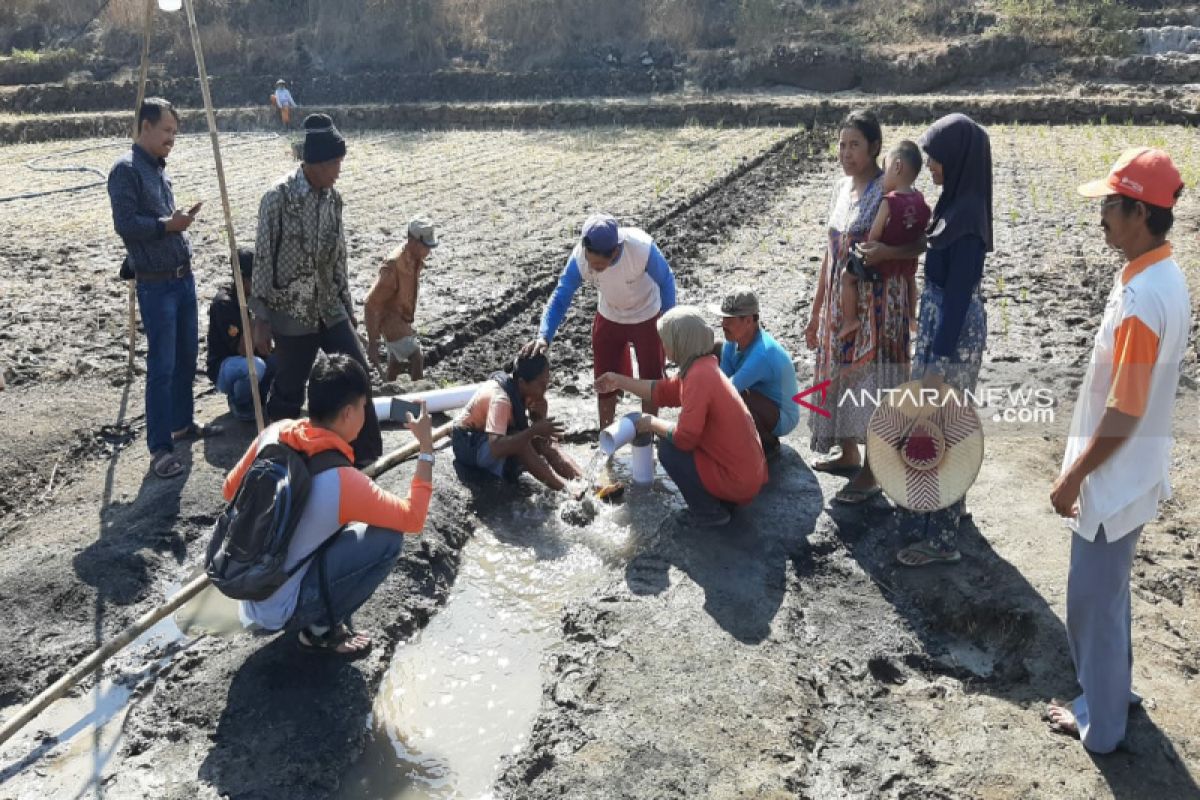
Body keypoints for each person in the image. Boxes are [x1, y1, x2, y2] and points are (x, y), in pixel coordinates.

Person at [1045, 148, 1189, 752]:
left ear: (1139, 212)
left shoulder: (1142, 300)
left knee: (1089, 608)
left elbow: (1125, 410)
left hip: (1113, 477)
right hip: (1132, 473)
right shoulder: (1158, 275)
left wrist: (1073, 478)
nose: (1101, 213)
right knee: (1109, 598)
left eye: (1110, 203)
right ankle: (1114, 692)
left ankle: (1101, 724)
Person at [225, 353, 434, 657]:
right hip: (279, 611)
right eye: (365, 407)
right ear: (348, 413)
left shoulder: (274, 433)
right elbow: (413, 519)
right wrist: (426, 449)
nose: (366, 414)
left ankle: (305, 607)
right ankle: (321, 629)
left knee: (330, 523)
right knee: (388, 538)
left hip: (248, 592)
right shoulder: (343, 482)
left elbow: (229, 490)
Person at [250, 113, 383, 467]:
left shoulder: (333, 200)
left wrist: (348, 307)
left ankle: (365, 454)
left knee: (357, 370)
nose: (338, 170)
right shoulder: (277, 198)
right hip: (291, 308)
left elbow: (339, 256)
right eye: (335, 164)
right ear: (315, 162)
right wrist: (260, 317)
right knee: (290, 387)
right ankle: (278, 457)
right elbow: (263, 257)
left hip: (328, 304)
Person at [894, 114, 992, 566]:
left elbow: (956, 299)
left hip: (951, 334)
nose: (930, 167)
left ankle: (942, 541)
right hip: (939, 326)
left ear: (956, 160)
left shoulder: (967, 220)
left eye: (935, 159)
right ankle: (946, 509)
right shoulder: (953, 206)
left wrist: (937, 365)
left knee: (942, 426)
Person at [108, 96, 222, 480]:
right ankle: (160, 448)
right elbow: (125, 224)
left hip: (181, 278)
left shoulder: (159, 170)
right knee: (162, 365)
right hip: (156, 286)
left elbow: (157, 219)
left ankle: (182, 423)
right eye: (167, 130)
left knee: (187, 356)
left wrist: (177, 221)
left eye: (175, 131)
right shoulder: (126, 171)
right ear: (145, 127)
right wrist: (166, 225)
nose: (172, 138)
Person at [805, 109, 915, 505]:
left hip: (877, 304)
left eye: (854, 144)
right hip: (841, 301)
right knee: (840, 374)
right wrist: (817, 310)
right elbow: (829, 254)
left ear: (874, 149)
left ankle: (873, 470)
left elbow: (912, 246)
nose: (845, 152)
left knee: (869, 382)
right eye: (841, 143)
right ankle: (848, 452)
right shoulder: (839, 188)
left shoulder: (887, 193)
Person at [596, 306, 767, 528]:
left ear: (681, 341)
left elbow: (685, 438)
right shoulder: (703, 365)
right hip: (746, 473)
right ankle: (720, 500)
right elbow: (661, 390)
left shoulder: (698, 377)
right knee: (672, 439)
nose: (663, 346)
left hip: (738, 481)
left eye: (665, 340)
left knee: (669, 449)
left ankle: (709, 512)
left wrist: (650, 423)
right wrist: (618, 380)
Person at [523, 213, 677, 430]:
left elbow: (667, 282)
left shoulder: (640, 248)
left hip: (647, 314)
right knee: (604, 378)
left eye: (599, 264)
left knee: (650, 377)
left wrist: (670, 327)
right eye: (590, 261)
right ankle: (606, 433)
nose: (593, 267)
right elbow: (561, 295)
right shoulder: (580, 259)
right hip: (609, 315)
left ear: (615, 252)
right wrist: (544, 336)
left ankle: (648, 433)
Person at [838, 140, 931, 342]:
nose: (883, 175)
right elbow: (922, 230)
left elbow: (874, 234)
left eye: (886, 168)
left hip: (880, 260)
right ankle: (911, 315)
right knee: (910, 279)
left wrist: (869, 247)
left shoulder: (889, 201)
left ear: (897, 166)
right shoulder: (920, 200)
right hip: (906, 260)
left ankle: (850, 319)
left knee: (847, 277)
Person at [451, 353, 582, 491]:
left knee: (545, 442)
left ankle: (585, 481)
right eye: (541, 384)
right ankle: (567, 489)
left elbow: (541, 438)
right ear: (522, 383)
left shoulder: (526, 393)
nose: (545, 389)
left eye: (547, 382)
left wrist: (539, 418)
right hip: (468, 445)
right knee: (521, 442)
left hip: (491, 440)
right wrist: (533, 430)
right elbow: (496, 447)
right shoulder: (501, 400)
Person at [709, 287, 799, 461]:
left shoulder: (762, 353)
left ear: (749, 321)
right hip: (760, 398)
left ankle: (767, 443)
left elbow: (728, 390)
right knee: (714, 348)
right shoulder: (731, 341)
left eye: (730, 319)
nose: (723, 324)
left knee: (740, 396)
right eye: (723, 317)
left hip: (782, 417)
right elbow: (723, 380)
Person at [364, 217, 436, 382]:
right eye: (426, 246)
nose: (428, 251)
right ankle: (418, 394)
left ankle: (389, 387)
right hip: (390, 320)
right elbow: (370, 303)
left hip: (402, 317)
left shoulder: (414, 259)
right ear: (412, 241)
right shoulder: (394, 266)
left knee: (395, 360)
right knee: (416, 356)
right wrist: (373, 343)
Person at [206, 249, 274, 422]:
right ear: (241, 279)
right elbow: (244, 350)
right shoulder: (224, 304)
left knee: (281, 360)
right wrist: (252, 314)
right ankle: (239, 401)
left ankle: (259, 398)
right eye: (253, 280)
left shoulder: (257, 298)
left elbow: (267, 346)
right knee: (255, 366)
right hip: (226, 366)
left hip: (253, 358)